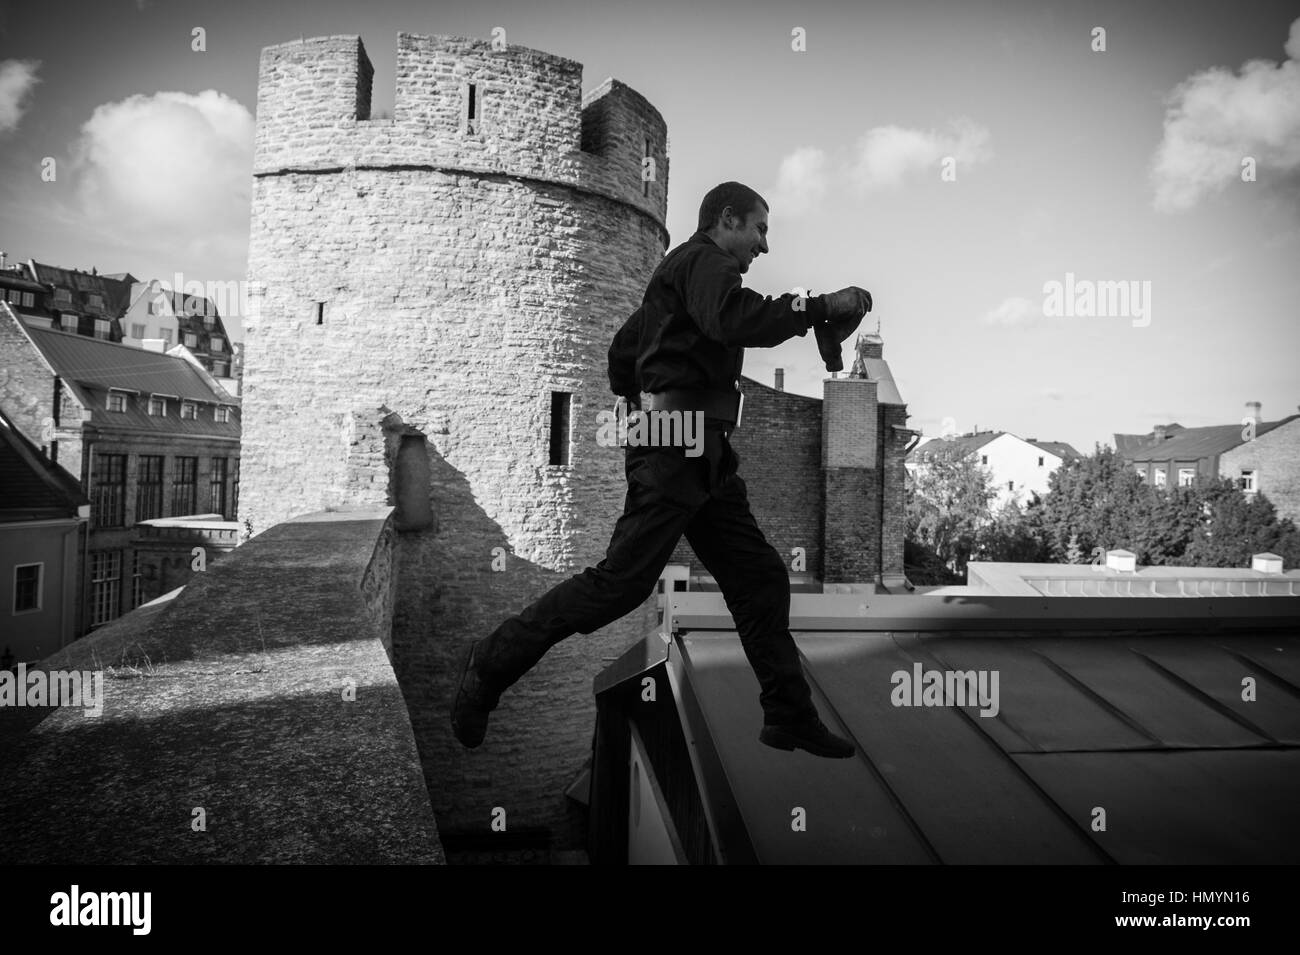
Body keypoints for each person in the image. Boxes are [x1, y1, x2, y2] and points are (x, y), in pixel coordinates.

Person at [452, 181, 872, 758]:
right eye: (760, 229)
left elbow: (623, 353)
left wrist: (646, 408)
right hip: (677, 451)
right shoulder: (704, 261)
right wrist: (816, 308)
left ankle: (788, 715)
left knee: (761, 580)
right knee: (620, 586)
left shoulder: (674, 283)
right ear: (727, 220)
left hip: (701, 455)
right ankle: (491, 663)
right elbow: (731, 318)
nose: (765, 246)